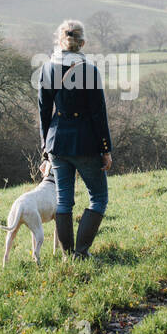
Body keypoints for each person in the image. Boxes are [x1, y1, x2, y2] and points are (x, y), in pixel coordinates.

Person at [38, 19, 112, 260]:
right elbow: (98, 113)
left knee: (64, 201)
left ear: (60, 41)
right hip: (87, 144)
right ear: (83, 43)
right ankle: (81, 252)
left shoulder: (47, 68)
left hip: (57, 144)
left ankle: (68, 256)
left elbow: (43, 111)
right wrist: (105, 149)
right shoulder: (90, 70)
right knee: (99, 198)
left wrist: (45, 151)